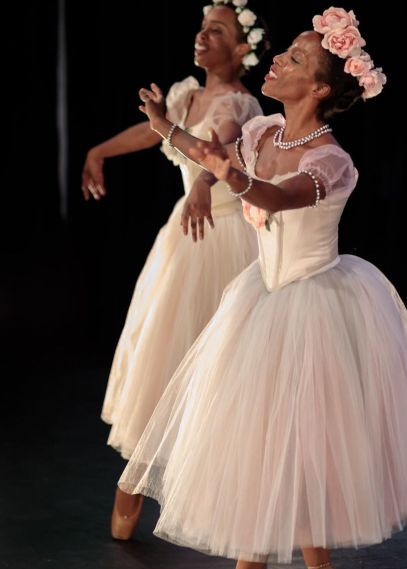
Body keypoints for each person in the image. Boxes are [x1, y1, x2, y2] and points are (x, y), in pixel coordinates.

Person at [119, 7, 407, 569]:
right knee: (263, 447)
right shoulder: (263, 133)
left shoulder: (331, 161)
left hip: (316, 308)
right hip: (262, 301)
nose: (279, 59)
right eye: (285, 51)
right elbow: (213, 151)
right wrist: (168, 130)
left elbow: (276, 198)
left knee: (299, 450)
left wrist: (230, 177)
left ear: (320, 89)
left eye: (297, 59)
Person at [81, 0, 269, 541]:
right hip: (185, 236)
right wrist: (99, 150)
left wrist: (206, 185)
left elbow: (221, 152)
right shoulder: (186, 93)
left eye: (218, 30)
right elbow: (155, 133)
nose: (204, 35)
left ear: (240, 49)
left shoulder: (240, 102)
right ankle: (135, 478)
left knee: (220, 361)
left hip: (223, 235)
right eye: (202, 27)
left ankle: (231, 492)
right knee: (162, 354)